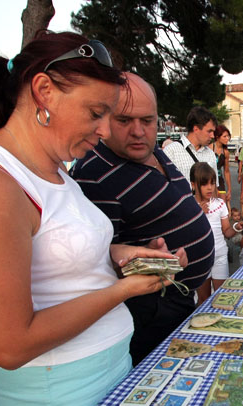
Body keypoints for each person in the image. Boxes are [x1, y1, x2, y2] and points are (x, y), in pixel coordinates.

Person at [0, 32, 180, 406]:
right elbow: (10, 343)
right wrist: (124, 290)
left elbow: (65, 254)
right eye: (96, 113)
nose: (105, 131)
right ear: (43, 90)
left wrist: (128, 255)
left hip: (105, 374)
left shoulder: (53, 170)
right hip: (59, 396)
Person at [71, 72, 214, 365]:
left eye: (147, 121)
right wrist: (145, 261)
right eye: (124, 120)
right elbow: (93, 266)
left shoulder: (156, 153)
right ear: (104, 119)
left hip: (180, 298)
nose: (138, 131)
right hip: (151, 311)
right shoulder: (95, 173)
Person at [190, 162, 243, 303]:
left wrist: (236, 228)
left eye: (212, 183)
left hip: (220, 254)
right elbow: (188, 236)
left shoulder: (220, 204)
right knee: (203, 299)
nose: (210, 188)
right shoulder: (188, 206)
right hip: (200, 258)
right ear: (193, 184)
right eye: (204, 184)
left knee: (221, 296)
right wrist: (198, 216)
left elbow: (226, 232)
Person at [163, 106, 218, 187]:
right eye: (209, 131)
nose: (213, 136)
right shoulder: (171, 152)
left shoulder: (210, 154)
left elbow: (214, 187)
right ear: (196, 129)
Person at [212, 124, 232, 207]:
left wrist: (229, 189)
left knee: (222, 206)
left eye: (228, 136)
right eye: (225, 136)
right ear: (217, 136)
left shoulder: (226, 152)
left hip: (220, 180)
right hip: (209, 180)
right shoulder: (209, 148)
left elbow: (226, 171)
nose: (227, 138)